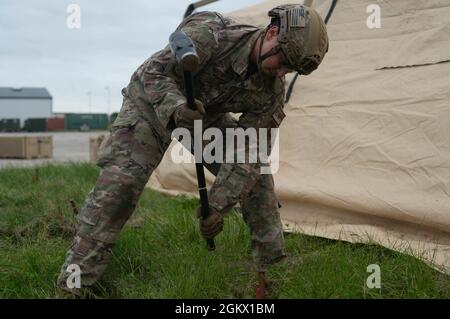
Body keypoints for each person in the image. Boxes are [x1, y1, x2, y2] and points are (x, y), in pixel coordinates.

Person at [57, 3, 329, 296]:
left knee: (258, 181)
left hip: (204, 117)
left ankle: (270, 275)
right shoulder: (211, 35)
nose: (281, 71)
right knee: (119, 189)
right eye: (283, 60)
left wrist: (216, 207)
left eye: (291, 68)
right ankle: (73, 284)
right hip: (150, 104)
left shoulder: (271, 89)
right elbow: (153, 74)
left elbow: (249, 155)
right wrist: (175, 108)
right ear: (272, 32)